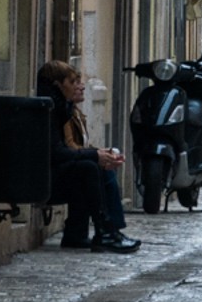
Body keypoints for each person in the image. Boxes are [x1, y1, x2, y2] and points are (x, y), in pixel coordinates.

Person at [36, 61, 140, 253]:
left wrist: (97, 154)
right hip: (40, 180)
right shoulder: (48, 110)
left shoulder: (60, 108)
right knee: (88, 168)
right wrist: (95, 155)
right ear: (58, 85)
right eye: (72, 81)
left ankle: (84, 233)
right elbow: (57, 151)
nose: (78, 86)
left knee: (89, 165)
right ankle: (106, 232)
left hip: (50, 173)